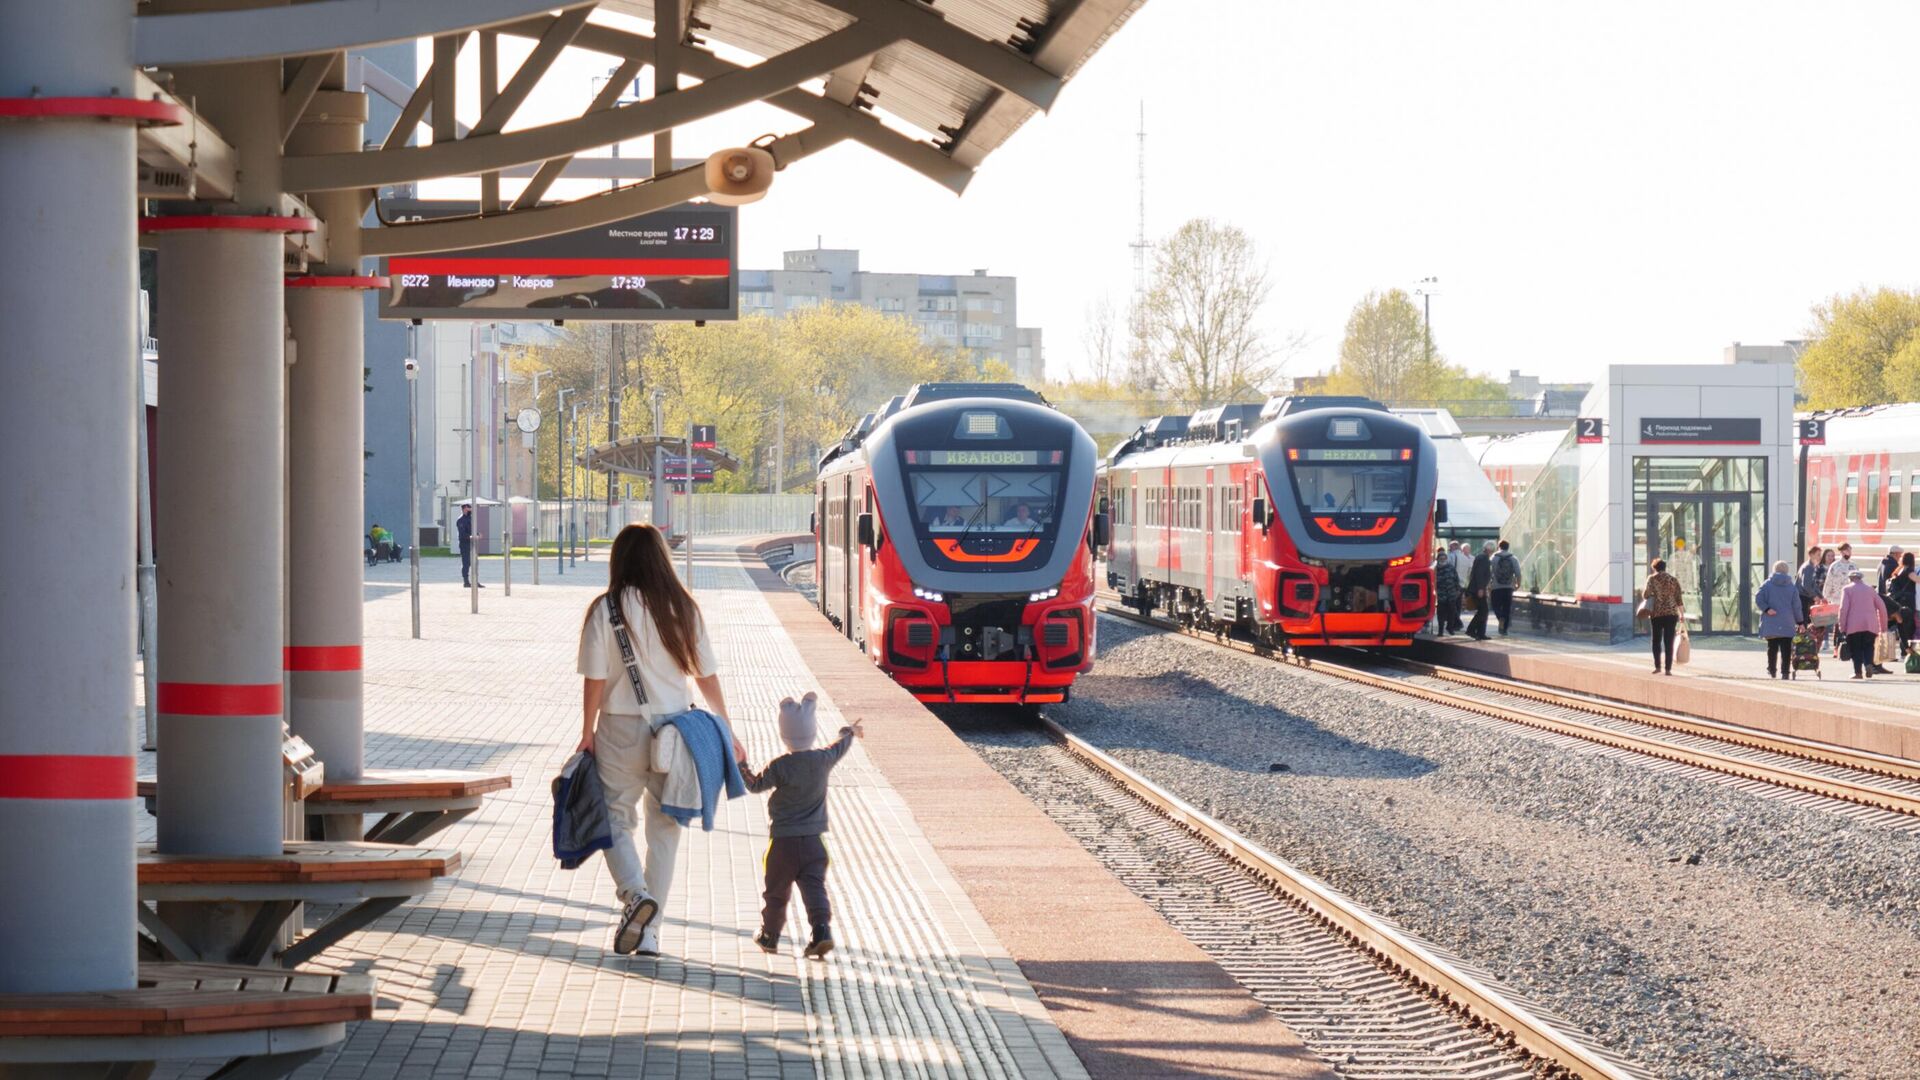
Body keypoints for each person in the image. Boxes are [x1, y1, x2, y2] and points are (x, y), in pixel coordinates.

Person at [576, 523, 747, 956]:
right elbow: (705, 675)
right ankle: (650, 934)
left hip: (619, 729)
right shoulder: (682, 606)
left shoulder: (606, 608)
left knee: (615, 818)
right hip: (676, 733)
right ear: (660, 559)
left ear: (620, 560)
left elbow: (595, 679)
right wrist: (727, 725)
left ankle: (635, 897)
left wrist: (585, 732)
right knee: (665, 829)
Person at [742, 693, 861, 960]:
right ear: (812, 731)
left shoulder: (780, 765)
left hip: (782, 843)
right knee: (814, 888)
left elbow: (754, 785)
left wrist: (740, 764)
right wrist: (849, 731)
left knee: (776, 891)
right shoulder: (823, 759)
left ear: (784, 734)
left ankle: (769, 936)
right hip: (814, 843)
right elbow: (840, 745)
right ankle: (821, 931)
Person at [1755, 560, 1804, 680]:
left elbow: (1758, 598)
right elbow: (1797, 606)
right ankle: (1785, 672)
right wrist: (1800, 622)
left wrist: (1767, 609)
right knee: (1786, 649)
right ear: (1787, 571)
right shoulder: (1791, 587)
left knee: (1772, 647)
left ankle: (1772, 670)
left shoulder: (1767, 584)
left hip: (1771, 621)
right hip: (1787, 621)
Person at [1836, 568, 1889, 680]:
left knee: (1856, 649)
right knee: (1869, 646)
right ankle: (1868, 664)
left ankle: (1858, 673)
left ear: (1850, 579)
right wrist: (1883, 626)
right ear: (1861, 578)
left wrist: (1842, 626)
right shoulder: (1870, 589)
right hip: (1870, 624)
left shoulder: (1847, 589)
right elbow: (1882, 607)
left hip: (1853, 625)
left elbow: (1843, 609)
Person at [1642, 558, 1685, 675]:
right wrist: (1682, 614)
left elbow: (1645, 595)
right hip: (1671, 614)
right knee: (1668, 641)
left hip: (1657, 613)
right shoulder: (1673, 580)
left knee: (1656, 640)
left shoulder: (1651, 579)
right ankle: (1668, 669)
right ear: (1665, 567)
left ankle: (1657, 667)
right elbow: (1679, 599)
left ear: (1654, 568)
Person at [1488, 539, 1521, 636]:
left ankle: (1500, 617)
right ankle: (1504, 629)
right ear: (1508, 547)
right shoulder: (1513, 558)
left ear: (1499, 546)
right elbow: (1518, 573)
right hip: (1509, 587)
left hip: (1496, 587)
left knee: (1495, 606)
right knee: (1507, 607)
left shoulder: (1493, 557)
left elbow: (1489, 572)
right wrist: (1518, 584)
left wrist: (1488, 584)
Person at [1890, 551, 1918, 658]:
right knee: (1908, 627)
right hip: (1907, 602)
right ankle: (1905, 651)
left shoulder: (1899, 569)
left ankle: (1904, 650)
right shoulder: (1909, 570)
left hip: (1900, 602)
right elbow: (1917, 579)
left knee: (1902, 626)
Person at [1464, 541, 1494, 640]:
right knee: (1483, 610)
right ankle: (1472, 630)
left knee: (1483, 611)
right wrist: (1481, 588)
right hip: (1478, 589)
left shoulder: (1481, 557)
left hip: (1477, 588)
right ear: (1489, 549)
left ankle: (1480, 633)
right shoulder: (1483, 558)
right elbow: (1480, 574)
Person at [1433, 545, 1461, 637]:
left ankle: (1450, 628)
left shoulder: (1451, 567)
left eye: (1444, 557)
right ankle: (1440, 630)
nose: (1443, 559)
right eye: (1441, 558)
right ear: (1438, 559)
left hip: (1451, 594)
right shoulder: (1435, 569)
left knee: (1452, 612)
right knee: (1441, 613)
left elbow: (1456, 579)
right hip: (1441, 595)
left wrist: (1457, 589)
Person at [456, 503, 483, 588]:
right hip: (465, 544)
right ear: (464, 509)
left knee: (475, 563)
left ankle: (475, 581)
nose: (470, 510)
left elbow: (472, 529)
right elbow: (462, 534)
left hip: (472, 544)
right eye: (469, 508)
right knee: (466, 563)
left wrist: (478, 534)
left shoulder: (470, 518)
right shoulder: (460, 520)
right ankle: (466, 582)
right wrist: (470, 537)